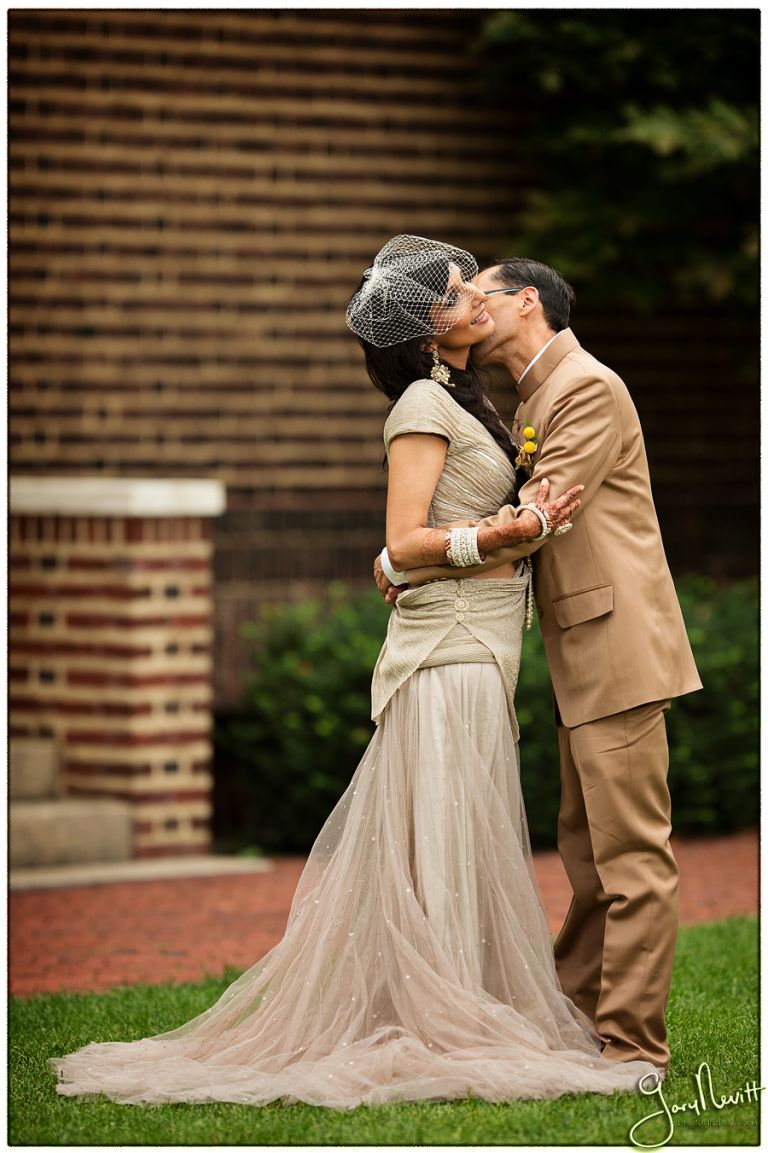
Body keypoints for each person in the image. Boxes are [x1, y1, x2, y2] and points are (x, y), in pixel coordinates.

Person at [49, 237, 658, 1109]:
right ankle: (444, 1021)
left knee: (465, 835)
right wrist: (481, 539)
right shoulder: (420, 401)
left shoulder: (468, 397)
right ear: (423, 327)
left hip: (482, 647)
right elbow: (411, 535)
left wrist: (424, 554)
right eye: (453, 292)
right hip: (445, 653)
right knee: (442, 835)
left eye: (471, 285)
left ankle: (463, 1004)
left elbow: (410, 545)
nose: (471, 294)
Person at [376, 256, 703, 1079]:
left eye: (478, 293)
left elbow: (539, 515)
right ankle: (578, 1017)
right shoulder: (524, 398)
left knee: (629, 859)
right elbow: (497, 517)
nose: (468, 309)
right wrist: (407, 553)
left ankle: (633, 1049)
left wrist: (407, 559)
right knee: (588, 858)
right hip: (574, 648)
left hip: (617, 644)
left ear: (526, 303)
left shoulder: (586, 385)